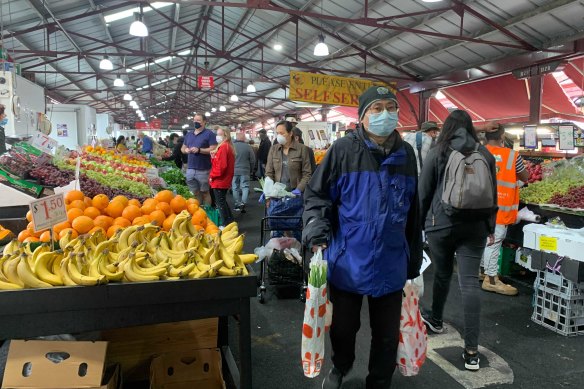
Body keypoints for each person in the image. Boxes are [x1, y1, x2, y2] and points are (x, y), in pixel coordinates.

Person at [303, 86, 423, 389]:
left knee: (385, 334)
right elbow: (317, 195)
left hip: (392, 259)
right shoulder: (344, 150)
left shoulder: (406, 154)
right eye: (376, 108)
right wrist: (317, 230)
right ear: (363, 115)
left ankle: (379, 381)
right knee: (344, 328)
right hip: (349, 259)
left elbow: (414, 210)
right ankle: (340, 367)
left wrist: (415, 257)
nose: (385, 113)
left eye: (390, 107)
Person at [418, 109, 498, 371]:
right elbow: (493, 193)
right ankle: (472, 351)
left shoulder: (438, 151)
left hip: (440, 226)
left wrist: (418, 226)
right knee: (470, 284)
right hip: (475, 228)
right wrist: (490, 226)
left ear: (447, 128)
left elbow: (424, 192)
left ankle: (436, 319)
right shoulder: (484, 154)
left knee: (442, 274)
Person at [480, 125, 529, 295]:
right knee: (494, 242)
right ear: (502, 136)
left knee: (481, 240)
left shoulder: (477, 152)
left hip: (477, 206)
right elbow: (525, 177)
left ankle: (482, 271)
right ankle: (491, 279)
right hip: (499, 207)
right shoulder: (512, 156)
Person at [265, 120, 312, 196]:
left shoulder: (302, 149)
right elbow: (269, 172)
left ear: (290, 133)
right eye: (277, 133)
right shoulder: (273, 149)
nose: (279, 136)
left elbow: (307, 173)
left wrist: (299, 189)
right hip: (277, 192)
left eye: (282, 133)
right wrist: (268, 191)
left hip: (295, 192)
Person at [181, 114, 218, 205]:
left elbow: (213, 149)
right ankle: (198, 211)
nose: (196, 122)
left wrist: (199, 150)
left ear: (204, 122)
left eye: (198, 120)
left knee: (205, 192)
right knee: (195, 193)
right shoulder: (189, 135)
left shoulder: (209, 134)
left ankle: (207, 213)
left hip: (204, 169)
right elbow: (182, 148)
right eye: (195, 120)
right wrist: (185, 150)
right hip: (190, 168)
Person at [209, 127, 235, 227]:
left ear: (226, 135)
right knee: (222, 201)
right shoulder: (226, 146)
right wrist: (213, 157)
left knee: (220, 203)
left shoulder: (224, 147)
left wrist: (212, 175)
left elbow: (222, 166)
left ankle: (225, 224)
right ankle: (230, 222)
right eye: (217, 134)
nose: (217, 136)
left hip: (220, 180)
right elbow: (219, 163)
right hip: (222, 179)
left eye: (220, 134)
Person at [232, 132, 255, 213]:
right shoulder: (248, 147)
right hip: (245, 170)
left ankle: (237, 203)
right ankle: (243, 203)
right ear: (244, 138)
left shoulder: (232, 146)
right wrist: (251, 170)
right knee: (245, 187)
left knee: (235, 187)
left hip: (234, 170)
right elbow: (252, 160)